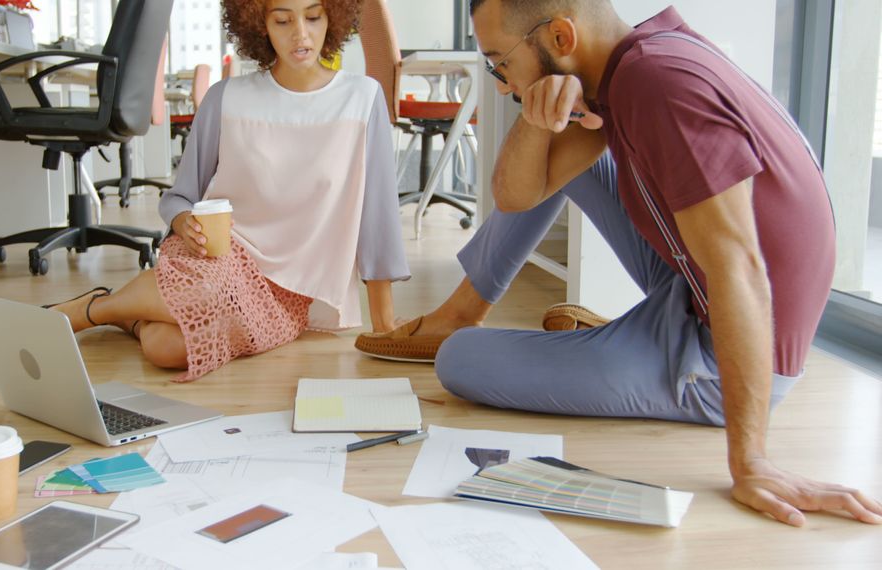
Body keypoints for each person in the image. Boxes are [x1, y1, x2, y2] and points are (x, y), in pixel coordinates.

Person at [359, 0, 882, 527]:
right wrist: (540, 122)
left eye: (501, 63)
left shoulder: (660, 88)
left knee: (460, 361)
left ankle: (620, 346)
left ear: (561, 39)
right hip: (687, 281)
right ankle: (478, 312)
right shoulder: (637, 59)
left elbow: (739, 268)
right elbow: (515, 195)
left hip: (723, 351)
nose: (500, 83)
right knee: (565, 157)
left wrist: (751, 461)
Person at [47, 0, 409, 382]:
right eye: (283, 20)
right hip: (220, 256)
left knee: (165, 348)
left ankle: (121, 312)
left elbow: (377, 217)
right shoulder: (227, 98)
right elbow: (179, 197)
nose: (300, 34)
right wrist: (184, 219)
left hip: (288, 292)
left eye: (313, 17)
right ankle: (88, 312)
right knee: (199, 299)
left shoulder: (362, 99)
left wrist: (383, 322)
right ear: (259, 26)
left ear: (333, 18)